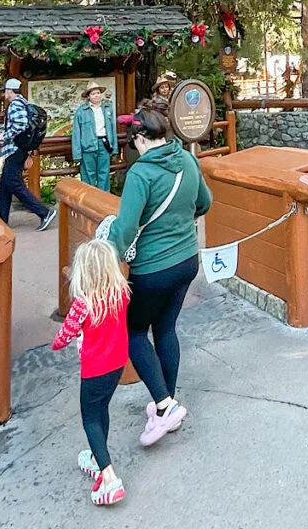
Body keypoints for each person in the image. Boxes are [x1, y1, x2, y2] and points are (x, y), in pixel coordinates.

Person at [107, 98, 212, 445]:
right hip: (186, 261)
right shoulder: (186, 159)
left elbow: (125, 226)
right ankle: (166, 400)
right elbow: (205, 203)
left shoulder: (141, 172)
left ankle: (165, 406)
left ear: (138, 139)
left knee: (132, 332)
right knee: (165, 328)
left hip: (152, 268)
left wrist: (109, 257)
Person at [52, 239, 130, 506]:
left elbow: (63, 336)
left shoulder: (84, 305)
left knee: (89, 417)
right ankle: (99, 457)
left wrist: (56, 343)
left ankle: (109, 477)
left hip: (94, 368)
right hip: (117, 363)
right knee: (102, 409)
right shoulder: (121, 293)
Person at [0, 77, 55, 231]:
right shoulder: (25, 103)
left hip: (14, 150)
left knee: (14, 184)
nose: (4, 93)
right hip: (21, 149)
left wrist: (5, 135)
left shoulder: (15, 105)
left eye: (5, 90)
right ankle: (2, 219)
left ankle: (44, 212)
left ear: (10, 91)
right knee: (5, 184)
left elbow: (21, 124)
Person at [73, 82, 117, 192]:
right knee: (88, 174)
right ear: (88, 97)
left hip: (104, 144)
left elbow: (112, 129)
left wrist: (114, 148)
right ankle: (89, 200)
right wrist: (77, 153)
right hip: (87, 146)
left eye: (98, 93)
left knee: (104, 173)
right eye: (93, 94)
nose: (97, 95)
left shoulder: (107, 108)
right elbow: (76, 133)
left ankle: (104, 199)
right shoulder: (81, 112)